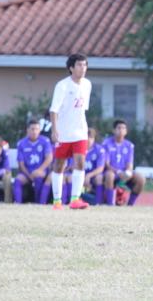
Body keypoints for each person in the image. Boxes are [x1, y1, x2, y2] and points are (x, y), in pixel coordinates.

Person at [49, 53, 92, 210]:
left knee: (80, 162)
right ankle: (57, 201)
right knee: (59, 165)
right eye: (79, 65)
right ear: (71, 68)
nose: (83, 68)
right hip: (63, 132)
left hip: (80, 131)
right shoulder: (62, 86)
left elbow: (82, 108)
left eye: (85, 65)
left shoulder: (87, 84)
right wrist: (55, 130)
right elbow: (54, 110)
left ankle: (75, 199)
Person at [103, 120, 146, 206]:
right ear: (114, 130)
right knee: (109, 175)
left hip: (124, 173)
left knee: (141, 178)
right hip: (112, 172)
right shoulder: (107, 143)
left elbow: (130, 163)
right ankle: (110, 204)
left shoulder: (129, 145)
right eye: (119, 128)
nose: (121, 130)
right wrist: (118, 172)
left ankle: (130, 204)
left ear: (126, 131)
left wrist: (128, 172)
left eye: (123, 128)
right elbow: (106, 164)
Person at [14, 120, 53, 204]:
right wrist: (29, 175)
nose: (34, 131)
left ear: (39, 130)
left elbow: (49, 158)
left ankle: (38, 204)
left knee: (38, 177)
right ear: (27, 130)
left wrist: (39, 170)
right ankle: (17, 204)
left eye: (37, 129)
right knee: (17, 181)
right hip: (26, 172)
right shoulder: (21, 143)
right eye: (32, 129)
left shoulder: (45, 141)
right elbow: (21, 163)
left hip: (41, 170)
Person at [83, 128, 106, 205]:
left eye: (91, 138)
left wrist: (89, 176)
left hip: (93, 177)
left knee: (99, 178)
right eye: (87, 137)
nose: (89, 140)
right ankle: (69, 201)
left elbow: (100, 168)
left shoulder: (99, 150)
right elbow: (73, 166)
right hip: (81, 177)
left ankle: (98, 203)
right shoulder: (78, 149)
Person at [0, 137, 12, 203]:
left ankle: (7, 202)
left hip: (1, 176)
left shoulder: (4, 154)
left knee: (7, 176)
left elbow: (7, 170)